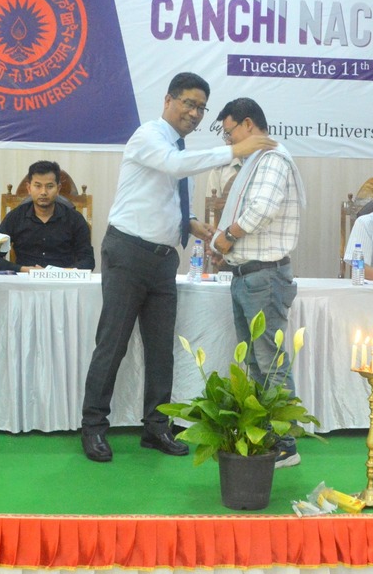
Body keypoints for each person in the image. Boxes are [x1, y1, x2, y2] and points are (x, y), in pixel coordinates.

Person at [80, 73, 276, 463]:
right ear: (168, 100)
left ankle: (156, 427)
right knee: (112, 344)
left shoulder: (178, 146)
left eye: (201, 107)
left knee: (161, 351)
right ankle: (93, 426)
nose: (195, 113)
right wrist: (234, 151)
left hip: (163, 260)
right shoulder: (149, 136)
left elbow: (160, 195)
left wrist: (190, 223)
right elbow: (172, 166)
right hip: (128, 253)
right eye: (189, 103)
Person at [210, 97, 305, 468]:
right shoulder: (254, 161)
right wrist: (226, 250)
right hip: (248, 275)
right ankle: (267, 437)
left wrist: (227, 237)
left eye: (230, 132)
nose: (229, 141)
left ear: (248, 124)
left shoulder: (272, 158)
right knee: (255, 361)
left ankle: (285, 444)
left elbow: (262, 210)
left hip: (264, 277)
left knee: (270, 362)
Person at [0, 160, 95, 272]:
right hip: (25, 278)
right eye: (37, 186)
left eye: (49, 186)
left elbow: (88, 261)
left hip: (62, 279)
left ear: (58, 189)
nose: (43, 192)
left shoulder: (74, 219)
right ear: (29, 188)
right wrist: (24, 269)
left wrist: (59, 272)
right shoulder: (15, 217)